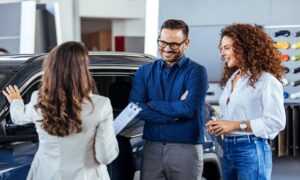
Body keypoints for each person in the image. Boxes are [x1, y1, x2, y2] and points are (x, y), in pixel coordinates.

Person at [3, 41, 119, 180]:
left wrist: (16, 101)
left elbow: (18, 117)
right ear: (83, 71)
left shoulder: (39, 100)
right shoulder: (101, 105)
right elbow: (105, 156)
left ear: (52, 69)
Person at [129, 19, 208, 180]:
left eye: (173, 44)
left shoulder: (197, 72)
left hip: (185, 150)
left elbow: (188, 109)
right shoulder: (144, 71)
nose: (166, 48)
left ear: (186, 43)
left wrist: (153, 104)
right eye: (162, 42)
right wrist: (173, 115)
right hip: (152, 148)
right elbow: (135, 107)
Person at [206, 24, 286, 180]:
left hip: (251, 148)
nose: (222, 53)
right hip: (228, 148)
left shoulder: (266, 80)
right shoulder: (233, 78)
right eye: (222, 48)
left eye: (227, 48)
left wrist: (234, 125)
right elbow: (236, 115)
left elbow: (276, 122)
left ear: (244, 48)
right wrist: (220, 125)